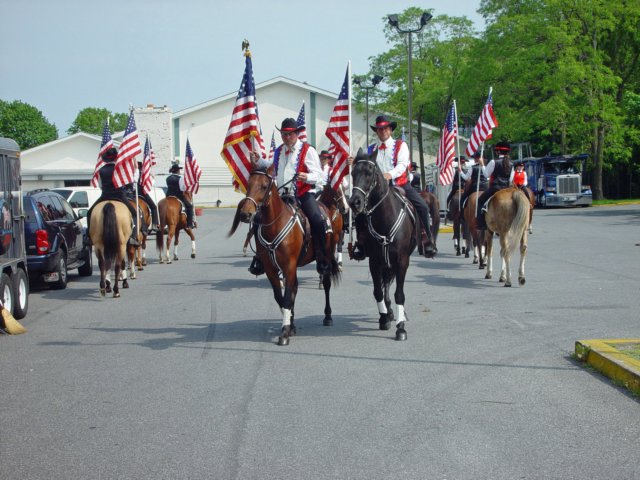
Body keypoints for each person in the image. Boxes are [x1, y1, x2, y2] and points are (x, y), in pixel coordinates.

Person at [347, 114, 437, 260]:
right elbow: (363, 166)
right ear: (376, 131)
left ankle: (427, 240)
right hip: (376, 189)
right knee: (359, 213)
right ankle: (362, 244)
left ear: (390, 130)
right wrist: (354, 160)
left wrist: (390, 174)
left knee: (423, 207)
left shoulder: (401, 145)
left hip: (399, 184)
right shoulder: (371, 149)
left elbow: (402, 165)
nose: (382, 131)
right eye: (379, 129)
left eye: (385, 128)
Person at [249, 117, 329, 276]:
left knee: (317, 219)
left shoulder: (308, 150)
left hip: (302, 194)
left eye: (290, 134)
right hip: (281, 196)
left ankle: (322, 256)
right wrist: (259, 160)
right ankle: (260, 256)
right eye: (284, 134)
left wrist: (307, 177)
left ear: (297, 133)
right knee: (258, 218)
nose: (287, 137)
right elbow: (270, 165)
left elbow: (320, 176)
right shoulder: (279, 150)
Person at [86, 147, 139, 246]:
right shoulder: (120, 169)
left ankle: (89, 238)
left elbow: (100, 185)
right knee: (134, 213)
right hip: (120, 196)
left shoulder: (101, 170)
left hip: (105, 196)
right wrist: (136, 169)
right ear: (116, 158)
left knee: (89, 213)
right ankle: (132, 237)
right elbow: (129, 181)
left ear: (107, 159)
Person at [475, 141, 513, 229]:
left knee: (480, 201)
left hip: (496, 188)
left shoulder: (493, 162)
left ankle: (481, 224)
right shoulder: (511, 164)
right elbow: (510, 179)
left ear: (498, 152)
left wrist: (482, 165)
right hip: (506, 189)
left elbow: (486, 175)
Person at [165, 163, 195, 229]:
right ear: (177, 170)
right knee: (189, 206)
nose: (180, 171)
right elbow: (182, 188)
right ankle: (190, 224)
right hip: (178, 195)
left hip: (168, 195)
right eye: (179, 170)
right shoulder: (180, 178)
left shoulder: (168, 178)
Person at [136, 161, 160, 231]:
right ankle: (154, 224)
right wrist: (152, 177)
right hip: (142, 193)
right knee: (154, 207)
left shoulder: (132, 173)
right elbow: (149, 184)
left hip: (132, 194)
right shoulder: (144, 174)